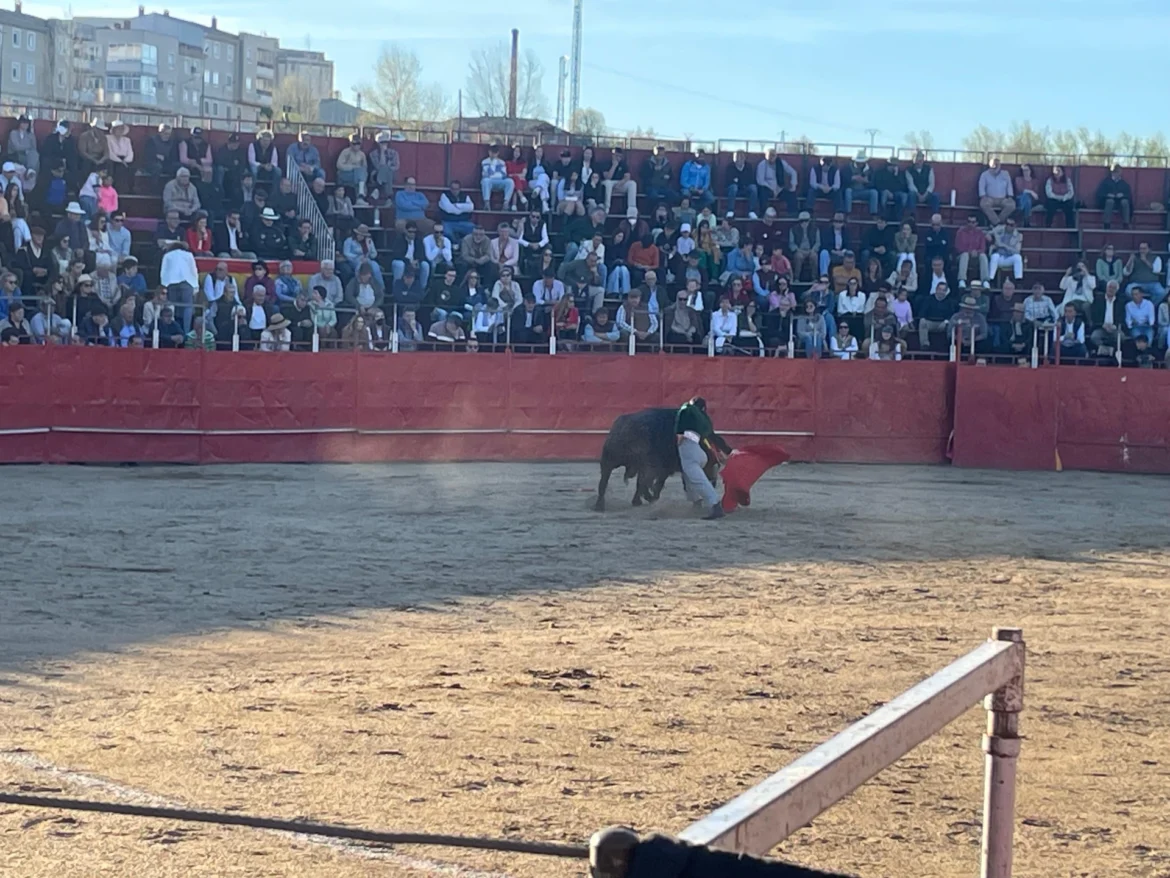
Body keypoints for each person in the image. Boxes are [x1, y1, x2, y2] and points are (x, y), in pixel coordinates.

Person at [674, 397, 727, 520]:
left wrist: (679, 439)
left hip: (689, 451)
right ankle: (696, 501)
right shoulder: (703, 419)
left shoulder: (686, 410)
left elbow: (680, 434)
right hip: (700, 451)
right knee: (687, 475)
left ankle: (715, 505)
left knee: (698, 480)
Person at [978, 158, 1015, 226]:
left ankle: (997, 222)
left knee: (1012, 205)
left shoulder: (1005, 174)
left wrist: (1010, 196)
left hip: (1003, 199)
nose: (995, 166)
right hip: (989, 198)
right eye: (994, 164)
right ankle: (997, 223)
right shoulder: (984, 175)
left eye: (997, 164)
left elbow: (1009, 185)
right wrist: (983, 196)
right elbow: (981, 187)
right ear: (990, 165)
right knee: (983, 204)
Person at [1095, 163, 1132, 230]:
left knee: (1125, 202)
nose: (1119, 174)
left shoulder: (1123, 183)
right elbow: (1100, 193)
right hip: (1108, 202)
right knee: (1110, 201)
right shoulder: (1106, 182)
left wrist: (1122, 195)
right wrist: (1108, 195)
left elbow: (1128, 194)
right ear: (1114, 172)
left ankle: (1126, 223)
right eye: (1117, 172)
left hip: (1119, 202)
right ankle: (1107, 223)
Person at [905, 151, 940, 215]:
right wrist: (918, 195)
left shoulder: (929, 169)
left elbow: (931, 184)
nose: (919, 162)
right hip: (915, 194)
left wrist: (925, 195)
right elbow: (910, 185)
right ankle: (912, 217)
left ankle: (935, 217)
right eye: (917, 159)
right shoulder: (909, 170)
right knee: (911, 195)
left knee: (936, 196)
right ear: (914, 160)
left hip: (926, 193)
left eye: (921, 159)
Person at [480, 144, 514, 208]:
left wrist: (495, 170)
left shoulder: (502, 162)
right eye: (492, 152)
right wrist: (494, 165)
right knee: (485, 181)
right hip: (490, 181)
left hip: (500, 181)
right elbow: (487, 174)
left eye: (495, 152)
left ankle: (506, 203)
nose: (493, 154)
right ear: (489, 152)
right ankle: (487, 203)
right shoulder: (484, 162)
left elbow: (503, 174)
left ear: (498, 153)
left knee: (510, 182)